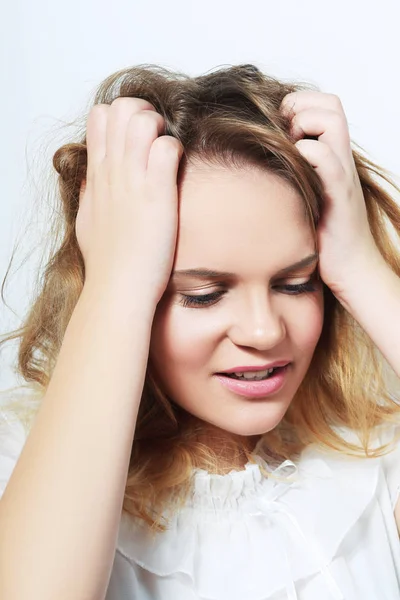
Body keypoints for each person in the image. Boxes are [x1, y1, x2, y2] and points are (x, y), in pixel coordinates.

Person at [0, 63, 400, 600]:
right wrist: (115, 284)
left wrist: (360, 267)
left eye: (297, 283)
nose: (263, 331)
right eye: (203, 294)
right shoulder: (21, 462)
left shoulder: (369, 463)